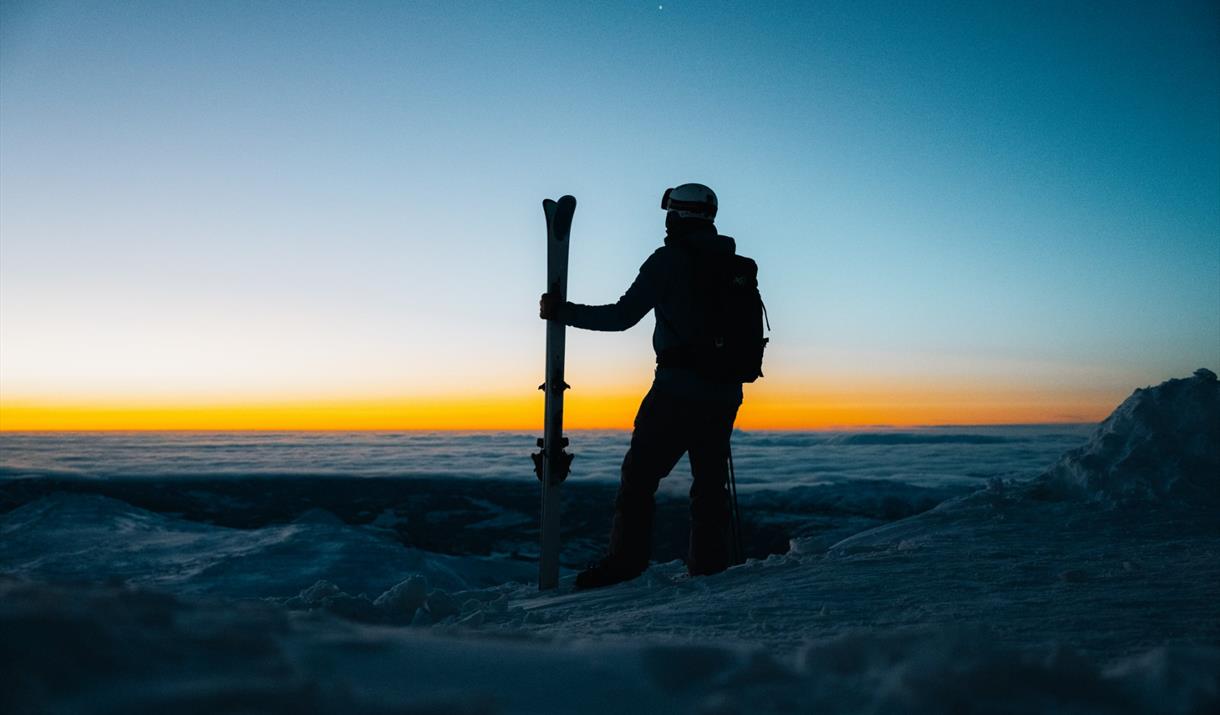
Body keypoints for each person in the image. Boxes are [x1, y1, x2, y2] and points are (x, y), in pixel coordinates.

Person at [539, 183, 745, 589]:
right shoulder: (733, 263)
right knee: (709, 483)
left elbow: (622, 316)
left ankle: (625, 563)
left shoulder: (668, 260)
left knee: (639, 478)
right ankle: (709, 567)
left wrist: (563, 312)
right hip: (724, 391)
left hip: (676, 391)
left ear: (677, 216)